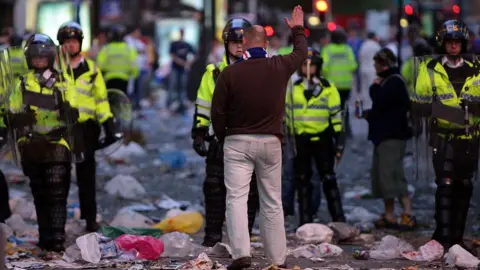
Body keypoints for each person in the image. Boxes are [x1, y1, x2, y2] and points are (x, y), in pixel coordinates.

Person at [211, 6, 308, 269]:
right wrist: (298, 29)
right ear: (266, 44)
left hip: (237, 142)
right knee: (272, 202)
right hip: (270, 143)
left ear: (243, 44)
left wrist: (223, 137)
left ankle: (241, 253)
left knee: (236, 199)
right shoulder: (278, 65)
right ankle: (277, 258)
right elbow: (301, 54)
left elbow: (217, 112)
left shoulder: (229, 73)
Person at [6, 33, 79, 252]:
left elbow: (75, 107)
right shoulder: (22, 83)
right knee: (39, 192)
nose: (39, 61)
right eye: (35, 58)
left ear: (50, 58)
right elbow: (10, 110)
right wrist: (16, 117)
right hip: (31, 145)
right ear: (30, 59)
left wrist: (70, 110)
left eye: (42, 57)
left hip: (58, 142)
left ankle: (57, 238)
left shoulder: (63, 81)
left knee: (57, 190)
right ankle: (45, 236)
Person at [411, 20, 480, 249]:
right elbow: (418, 105)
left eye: (457, 42)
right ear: (442, 43)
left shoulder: (476, 67)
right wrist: (451, 114)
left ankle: (458, 240)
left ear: (463, 43)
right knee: (446, 185)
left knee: (465, 186)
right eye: (449, 42)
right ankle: (443, 238)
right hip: (443, 137)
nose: (453, 46)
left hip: (470, 139)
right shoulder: (429, 69)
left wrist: (474, 106)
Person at [192, 18, 259, 247]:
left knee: (249, 193)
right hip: (220, 139)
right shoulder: (213, 73)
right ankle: (212, 237)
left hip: (250, 138)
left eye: (243, 42)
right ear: (226, 44)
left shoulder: (261, 70)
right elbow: (203, 105)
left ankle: (243, 241)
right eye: (234, 42)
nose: (239, 46)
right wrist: (199, 133)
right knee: (214, 187)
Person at [57, 22, 116, 232]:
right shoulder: (54, 70)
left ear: (79, 43)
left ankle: (90, 219)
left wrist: (108, 124)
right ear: (61, 45)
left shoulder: (91, 69)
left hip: (86, 129)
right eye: (66, 42)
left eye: (73, 42)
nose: (70, 46)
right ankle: (59, 221)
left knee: (86, 176)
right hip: (61, 129)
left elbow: (100, 99)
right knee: (59, 177)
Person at [357, 48, 416, 230]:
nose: (374, 67)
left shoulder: (393, 82)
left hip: (392, 136)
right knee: (383, 177)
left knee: (394, 175)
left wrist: (375, 86)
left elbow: (382, 101)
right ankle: (389, 215)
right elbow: (385, 109)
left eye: (376, 64)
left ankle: (407, 213)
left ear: (384, 64)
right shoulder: (390, 81)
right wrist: (370, 115)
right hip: (383, 136)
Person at [286, 47, 345, 226]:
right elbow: (287, 116)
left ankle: (339, 220)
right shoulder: (293, 89)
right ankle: (305, 221)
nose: (308, 69)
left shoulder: (328, 88)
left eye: (312, 66)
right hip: (301, 140)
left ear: (318, 67)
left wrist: (339, 143)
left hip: (322, 139)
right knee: (302, 181)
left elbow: (336, 117)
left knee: (328, 179)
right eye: (304, 65)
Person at [321, 28, 357, 136]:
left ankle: (334, 129)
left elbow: (323, 67)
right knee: (344, 107)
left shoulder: (327, 50)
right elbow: (354, 65)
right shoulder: (348, 49)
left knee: (332, 108)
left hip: (332, 85)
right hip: (346, 84)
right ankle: (346, 129)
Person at [97, 25, 139, 94]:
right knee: (123, 101)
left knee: (110, 100)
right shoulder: (129, 50)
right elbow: (135, 68)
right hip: (124, 80)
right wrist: (133, 76)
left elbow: (99, 66)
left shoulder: (106, 49)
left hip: (109, 80)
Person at [168, 28, 196, 111]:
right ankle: (172, 103)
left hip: (183, 69)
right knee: (173, 85)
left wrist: (189, 63)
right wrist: (180, 62)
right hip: (175, 68)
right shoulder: (174, 44)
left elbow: (194, 54)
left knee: (183, 86)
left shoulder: (187, 44)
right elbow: (172, 55)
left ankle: (182, 103)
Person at [358, 32, 381, 109]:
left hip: (363, 69)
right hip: (372, 70)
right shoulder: (376, 46)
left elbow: (359, 57)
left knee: (364, 88)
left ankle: (364, 106)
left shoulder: (363, 45)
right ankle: (371, 106)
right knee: (372, 88)